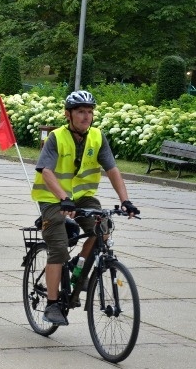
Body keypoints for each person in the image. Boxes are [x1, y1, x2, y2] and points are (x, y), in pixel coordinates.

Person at [31, 90, 140, 326]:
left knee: (103, 227)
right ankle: (51, 304)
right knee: (59, 248)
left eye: (90, 112)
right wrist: (62, 197)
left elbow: (112, 170)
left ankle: (78, 268)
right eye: (81, 111)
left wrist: (125, 200)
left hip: (83, 197)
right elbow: (46, 171)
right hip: (52, 198)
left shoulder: (97, 138)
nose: (86, 116)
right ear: (68, 115)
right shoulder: (56, 138)